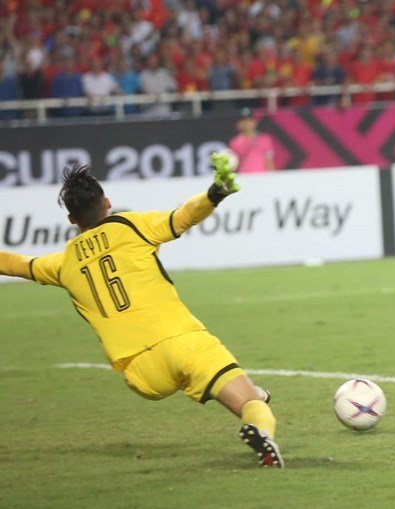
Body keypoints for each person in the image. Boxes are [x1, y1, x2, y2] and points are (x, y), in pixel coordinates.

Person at [0, 156, 284, 467]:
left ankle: (245, 391)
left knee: (232, 387)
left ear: (71, 219)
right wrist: (214, 193)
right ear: (107, 202)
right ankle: (260, 431)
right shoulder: (130, 225)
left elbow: (18, 265)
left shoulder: (63, 263)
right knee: (251, 404)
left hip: (141, 373)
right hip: (182, 342)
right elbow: (184, 217)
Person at [229, 108, 276, 173]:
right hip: (244, 177)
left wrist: (272, 177)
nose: (247, 123)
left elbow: (269, 160)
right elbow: (233, 164)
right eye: (244, 120)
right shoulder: (234, 142)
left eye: (249, 120)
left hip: (263, 176)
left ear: (255, 122)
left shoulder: (265, 139)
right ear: (238, 124)